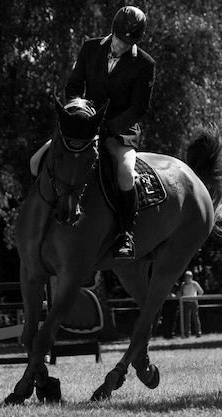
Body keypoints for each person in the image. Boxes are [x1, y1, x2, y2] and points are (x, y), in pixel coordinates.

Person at [64, 5, 156, 259]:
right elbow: (73, 86)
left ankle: (125, 233)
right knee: (37, 159)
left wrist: (108, 127)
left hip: (120, 132)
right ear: (112, 31)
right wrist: (78, 113)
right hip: (84, 126)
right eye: (119, 40)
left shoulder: (145, 64)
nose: (122, 46)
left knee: (126, 174)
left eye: (129, 43)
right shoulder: (90, 48)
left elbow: (139, 107)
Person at [180, 270, 204, 337]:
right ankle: (187, 333)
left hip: (193, 302)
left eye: (189, 276)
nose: (187, 278)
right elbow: (181, 293)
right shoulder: (183, 284)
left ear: (191, 277)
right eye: (186, 276)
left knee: (195, 317)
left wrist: (196, 298)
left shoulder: (194, 283)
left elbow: (201, 292)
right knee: (186, 318)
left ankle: (198, 332)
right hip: (185, 302)